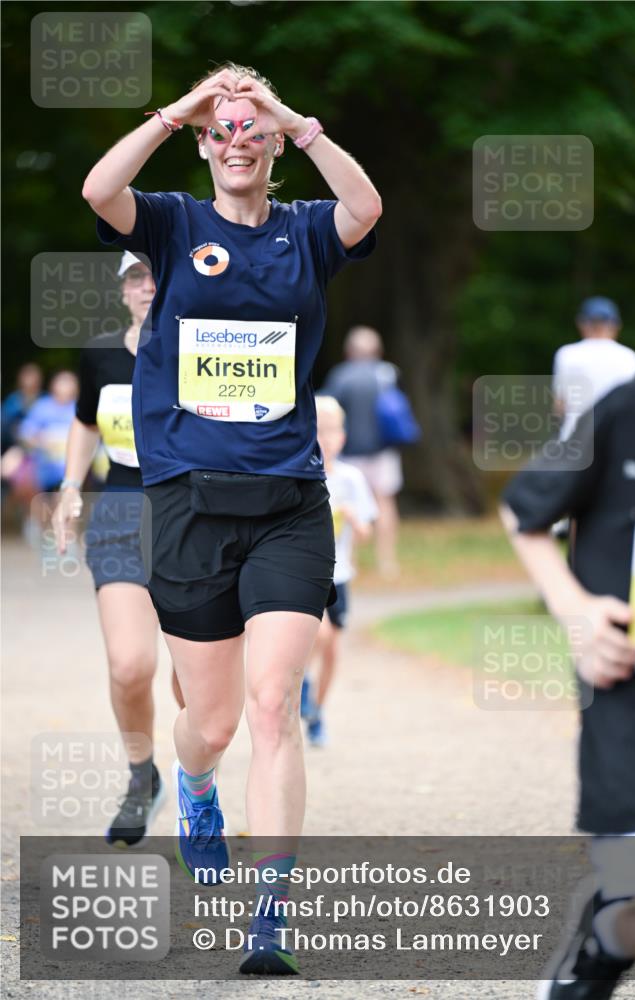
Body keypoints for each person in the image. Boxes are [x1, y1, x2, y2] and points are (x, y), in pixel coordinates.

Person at [82, 61, 380, 974]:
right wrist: (181, 110)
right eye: (225, 131)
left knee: (271, 707)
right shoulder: (173, 223)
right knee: (207, 726)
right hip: (187, 505)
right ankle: (197, 789)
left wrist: (292, 117)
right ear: (206, 145)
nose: (238, 141)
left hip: (290, 499)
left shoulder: (305, 232)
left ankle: (270, 920)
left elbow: (366, 207)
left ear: (273, 147)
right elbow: (100, 188)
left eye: (252, 131)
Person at [500, 275, 635, 998]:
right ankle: (604, 932)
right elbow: (523, 512)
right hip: (633, 704)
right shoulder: (624, 413)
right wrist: (573, 611)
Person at [51, 251, 184, 848]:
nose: (147, 286)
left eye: (157, 274)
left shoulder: (198, 347)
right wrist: (70, 489)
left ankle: (199, 786)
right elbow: (84, 421)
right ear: (123, 288)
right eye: (136, 276)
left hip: (194, 516)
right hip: (121, 511)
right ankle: (142, 777)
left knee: (195, 683)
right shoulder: (101, 352)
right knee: (131, 666)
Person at [300, 396, 377, 746]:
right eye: (318, 429)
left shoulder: (350, 479)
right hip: (306, 576)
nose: (325, 437)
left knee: (332, 651)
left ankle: (316, 709)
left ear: (342, 437)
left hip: (340, 575)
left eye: (331, 430)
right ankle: (300, 683)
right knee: (322, 636)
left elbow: (365, 532)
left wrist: (351, 517)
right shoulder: (300, 477)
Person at [322, 325, 403, 577]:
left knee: (350, 505)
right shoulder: (388, 373)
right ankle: (387, 562)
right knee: (385, 503)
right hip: (384, 451)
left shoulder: (341, 376)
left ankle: (349, 561)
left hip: (351, 453)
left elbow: (325, 407)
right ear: (377, 350)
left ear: (349, 351)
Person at [553, 297, 635, 441]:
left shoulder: (567, 354)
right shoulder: (630, 358)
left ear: (582, 324)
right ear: (616, 325)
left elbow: (560, 405)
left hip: (574, 438)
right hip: (615, 438)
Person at [1, 362, 44, 454]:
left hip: (41, 447)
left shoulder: (45, 400)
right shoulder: (13, 401)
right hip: (15, 446)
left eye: (33, 377)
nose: (30, 381)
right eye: (27, 377)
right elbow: (5, 426)